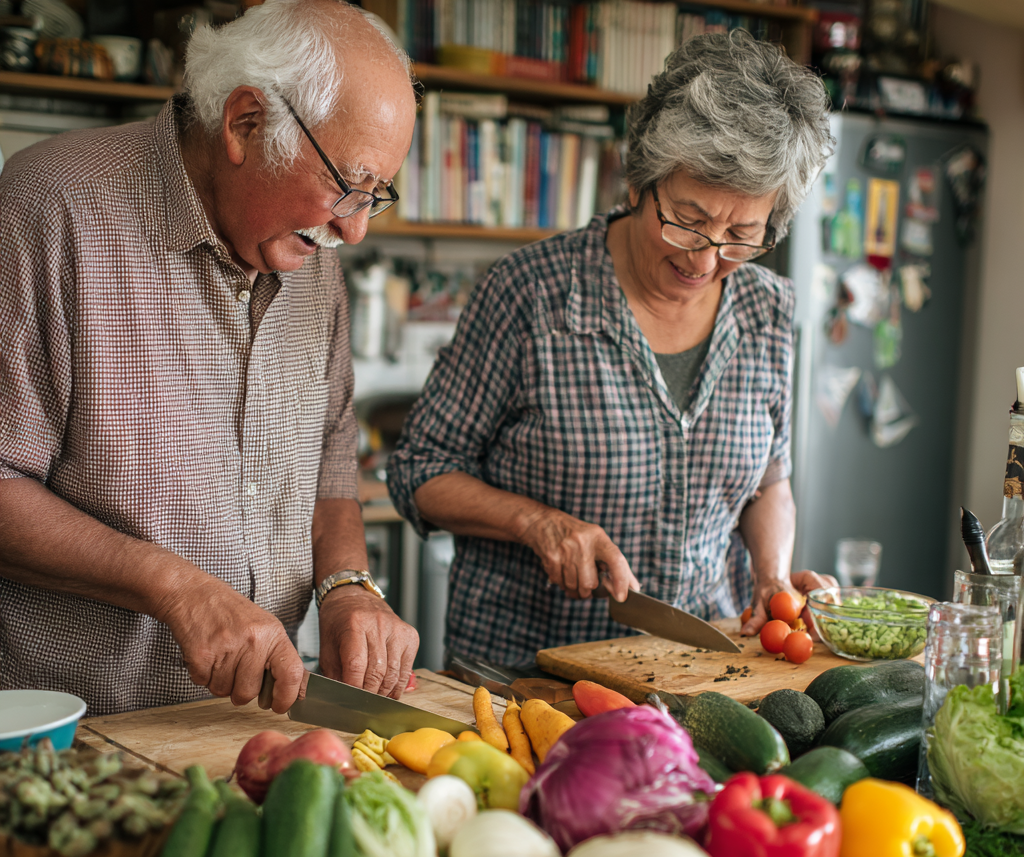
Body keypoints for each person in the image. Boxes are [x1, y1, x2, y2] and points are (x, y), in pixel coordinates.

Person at [0, 0, 419, 715]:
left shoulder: (313, 258)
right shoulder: (49, 208)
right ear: (244, 123)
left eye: (375, 194)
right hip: (78, 729)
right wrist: (176, 586)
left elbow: (330, 461)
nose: (353, 227)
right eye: (346, 182)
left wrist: (347, 585)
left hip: (251, 723)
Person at [387, 30, 837, 668]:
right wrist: (537, 523)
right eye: (687, 218)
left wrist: (773, 577)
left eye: (742, 234)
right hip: (530, 677)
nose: (705, 259)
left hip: (702, 673)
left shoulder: (769, 308)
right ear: (638, 183)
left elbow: (769, 481)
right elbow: (419, 470)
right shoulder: (529, 292)